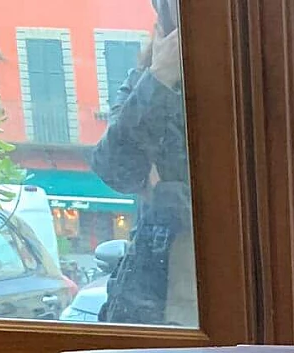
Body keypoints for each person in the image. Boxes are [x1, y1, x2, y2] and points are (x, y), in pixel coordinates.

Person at [91, 0, 195, 326]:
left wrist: (165, 193)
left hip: (211, 291)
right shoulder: (148, 77)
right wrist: (161, 75)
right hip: (150, 296)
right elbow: (114, 168)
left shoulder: (239, 78)